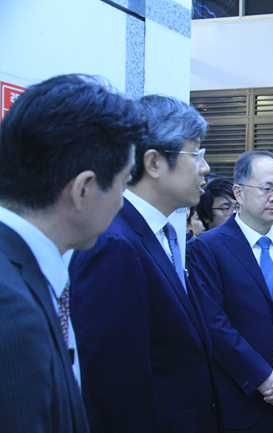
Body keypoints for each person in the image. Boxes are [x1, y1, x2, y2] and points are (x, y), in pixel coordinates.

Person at [0, 74, 146, 433]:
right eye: (124, 184)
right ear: (83, 189)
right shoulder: (13, 313)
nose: (122, 202)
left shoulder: (22, 270)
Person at [69, 95, 223, 433]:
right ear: (154, 162)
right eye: (196, 154)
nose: (205, 168)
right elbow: (115, 383)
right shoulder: (114, 244)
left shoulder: (161, 234)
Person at [189, 150, 273, 433]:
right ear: (239, 193)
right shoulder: (208, 247)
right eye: (266, 188)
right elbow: (213, 322)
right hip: (240, 395)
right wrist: (261, 377)